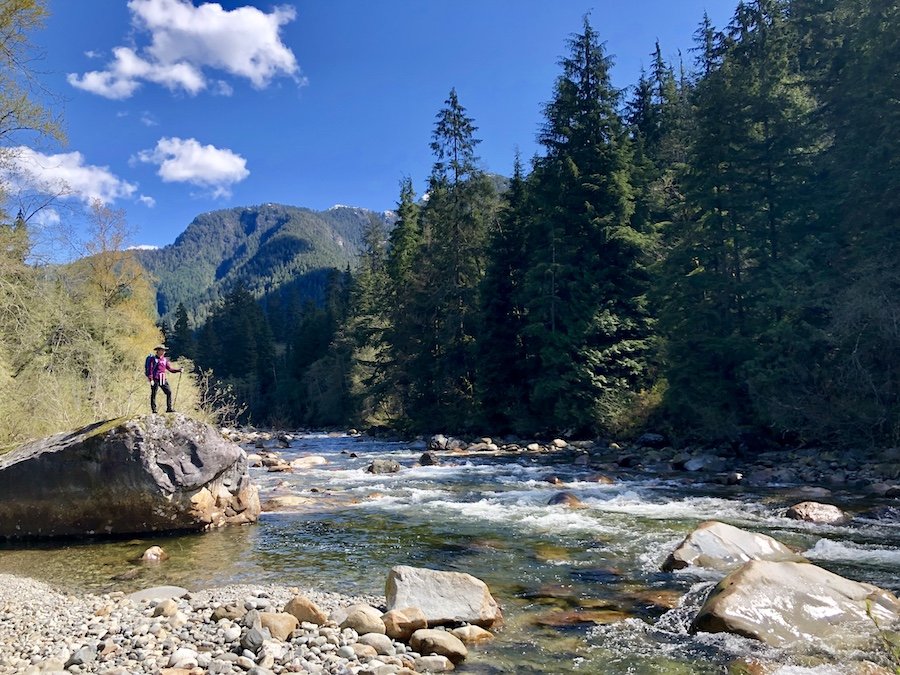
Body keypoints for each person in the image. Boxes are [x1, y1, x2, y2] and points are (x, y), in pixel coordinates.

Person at [145, 344, 183, 413]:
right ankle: (154, 410)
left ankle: (169, 408)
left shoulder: (165, 360)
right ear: (158, 351)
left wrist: (178, 370)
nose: (163, 352)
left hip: (162, 378)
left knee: (169, 392)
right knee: (154, 393)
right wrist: (151, 379)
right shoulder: (153, 359)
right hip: (155, 378)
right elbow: (150, 369)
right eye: (162, 350)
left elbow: (170, 369)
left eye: (164, 350)